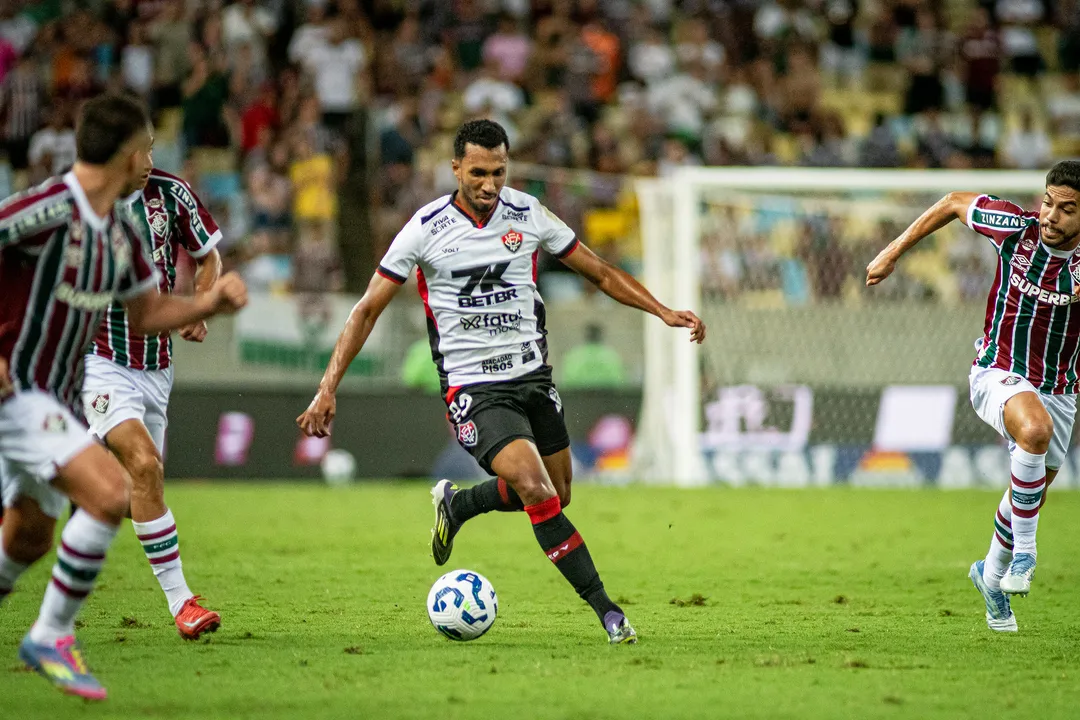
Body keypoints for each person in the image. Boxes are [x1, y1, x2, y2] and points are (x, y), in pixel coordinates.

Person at [297, 119, 705, 645]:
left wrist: (663, 310)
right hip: (474, 390)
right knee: (536, 490)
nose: (490, 185)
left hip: (534, 379)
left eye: (499, 171)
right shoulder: (425, 228)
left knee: (558, 493)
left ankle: (460, 504)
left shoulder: (527, 213)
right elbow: (366, 310)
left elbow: (599, 271)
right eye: (478, 173)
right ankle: (608, 612)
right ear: (455, 169)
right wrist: (327, 387)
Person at [0, 93, 247, 700]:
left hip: (79, 387)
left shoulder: (118, 232)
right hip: (39, 385)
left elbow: (146, 312)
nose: (152, 157)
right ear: (129, 153)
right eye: (147, 147)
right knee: (120, 483)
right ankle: (54, 634)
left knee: (28, 535)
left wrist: (207, 303)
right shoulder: (43, 209)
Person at [865, 160, 1080, 633]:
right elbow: (952, 203)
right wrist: (893, 251)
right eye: (1048, 202)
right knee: (1035, 432)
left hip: (1061, 389)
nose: (1051, 216)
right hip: (997, 371)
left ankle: (991, 575)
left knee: (1027, 494)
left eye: (1067, 210)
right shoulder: (1014, 230)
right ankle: (1026, 552)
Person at [81, 165, 224, 640]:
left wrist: (201, 302)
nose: (144, 159)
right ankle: (182, 603)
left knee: (129, 495)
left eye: (150, 148)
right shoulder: (80, 200)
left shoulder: (171, 194)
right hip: (100, 360)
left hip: (157, 366)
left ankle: (54, 477)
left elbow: (209, 258)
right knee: (146, 467)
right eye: (135, 149)